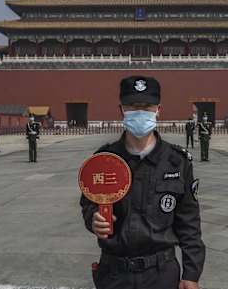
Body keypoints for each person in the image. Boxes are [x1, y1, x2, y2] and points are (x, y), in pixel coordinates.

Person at [80, 76, 205, 289]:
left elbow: (189, 222)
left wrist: (191, 273)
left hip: (161, 272)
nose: (140, 112)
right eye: (132, 106)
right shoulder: (104, 160)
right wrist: (93, 218)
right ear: (121, 110)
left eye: (146, 106)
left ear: (158, 110)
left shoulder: (177, 162)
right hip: (114, 272)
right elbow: (89, 202)